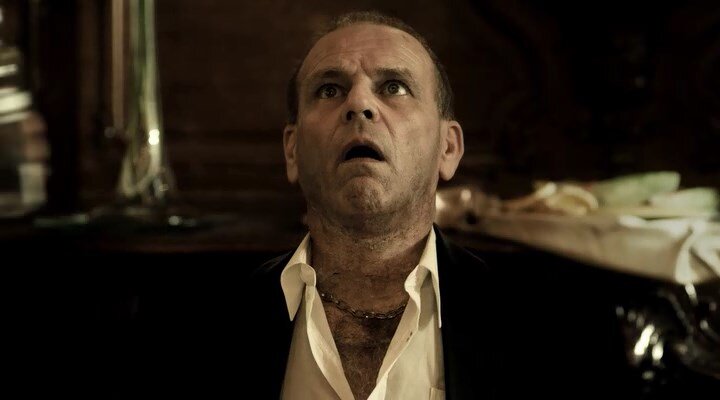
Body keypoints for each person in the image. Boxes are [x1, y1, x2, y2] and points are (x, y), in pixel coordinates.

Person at [132, 10, 631, 400]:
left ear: (448, 148)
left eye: (394, 87)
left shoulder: (559, 327)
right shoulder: (190, 330)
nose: (359, 104)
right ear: (292, 151)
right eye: (330, 89)